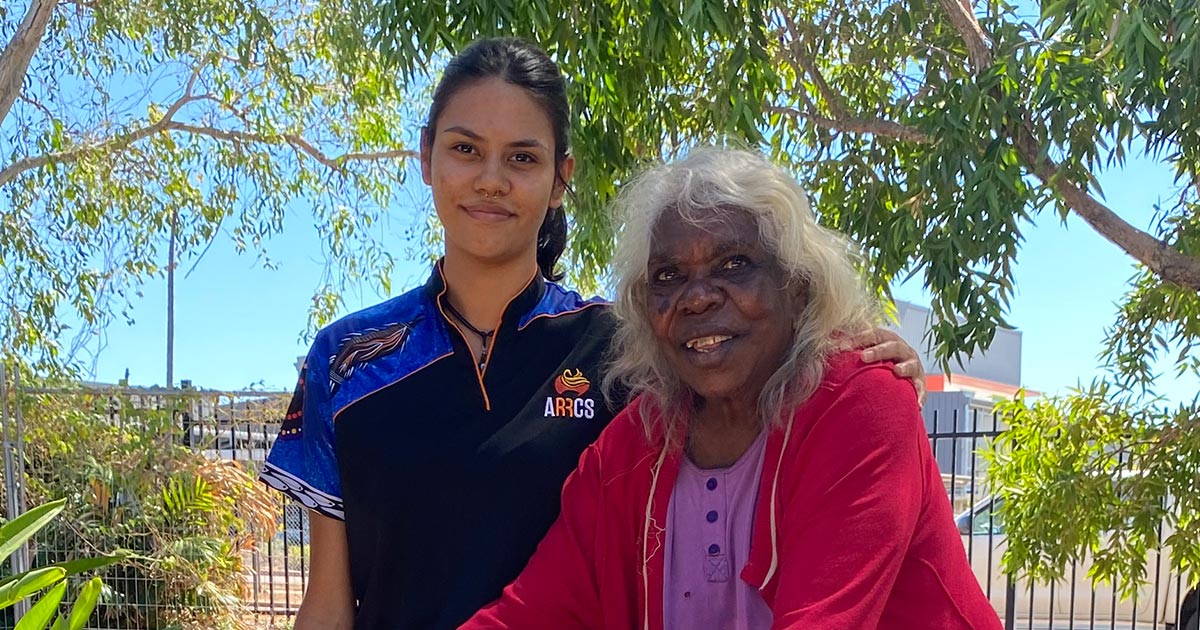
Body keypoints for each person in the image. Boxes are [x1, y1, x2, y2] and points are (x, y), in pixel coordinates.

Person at [258, 39, 927, 630]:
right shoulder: (348, 358)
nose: (491, 178)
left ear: (560, 180)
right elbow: (327, 604)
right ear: (426, 155)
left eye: (522, 156)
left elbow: (767, 382)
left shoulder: (629, 347)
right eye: (466, 149)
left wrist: (858, 361)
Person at [461, 148, 1001, 630]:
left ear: (799, 285)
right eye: (667, 276)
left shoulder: (860, 402)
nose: (696, 298)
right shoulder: (629, 450)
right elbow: (529, 611)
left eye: (734, 264)